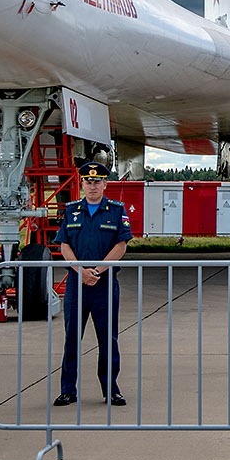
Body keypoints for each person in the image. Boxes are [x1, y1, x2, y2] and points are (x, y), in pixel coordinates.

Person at [53, 161, 132, 406]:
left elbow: (121, 245)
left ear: (105, 184)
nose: (93, 186)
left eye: (97, 182)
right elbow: (64, 244)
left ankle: (111, 389)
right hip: (77, 284)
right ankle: (68, 390)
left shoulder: (116, 211)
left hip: (105, 284)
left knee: (108, 338)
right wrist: (80, 271)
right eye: (88, 181)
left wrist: (96, 270)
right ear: (82, 184)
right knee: (71, 337)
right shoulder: (71, 210)